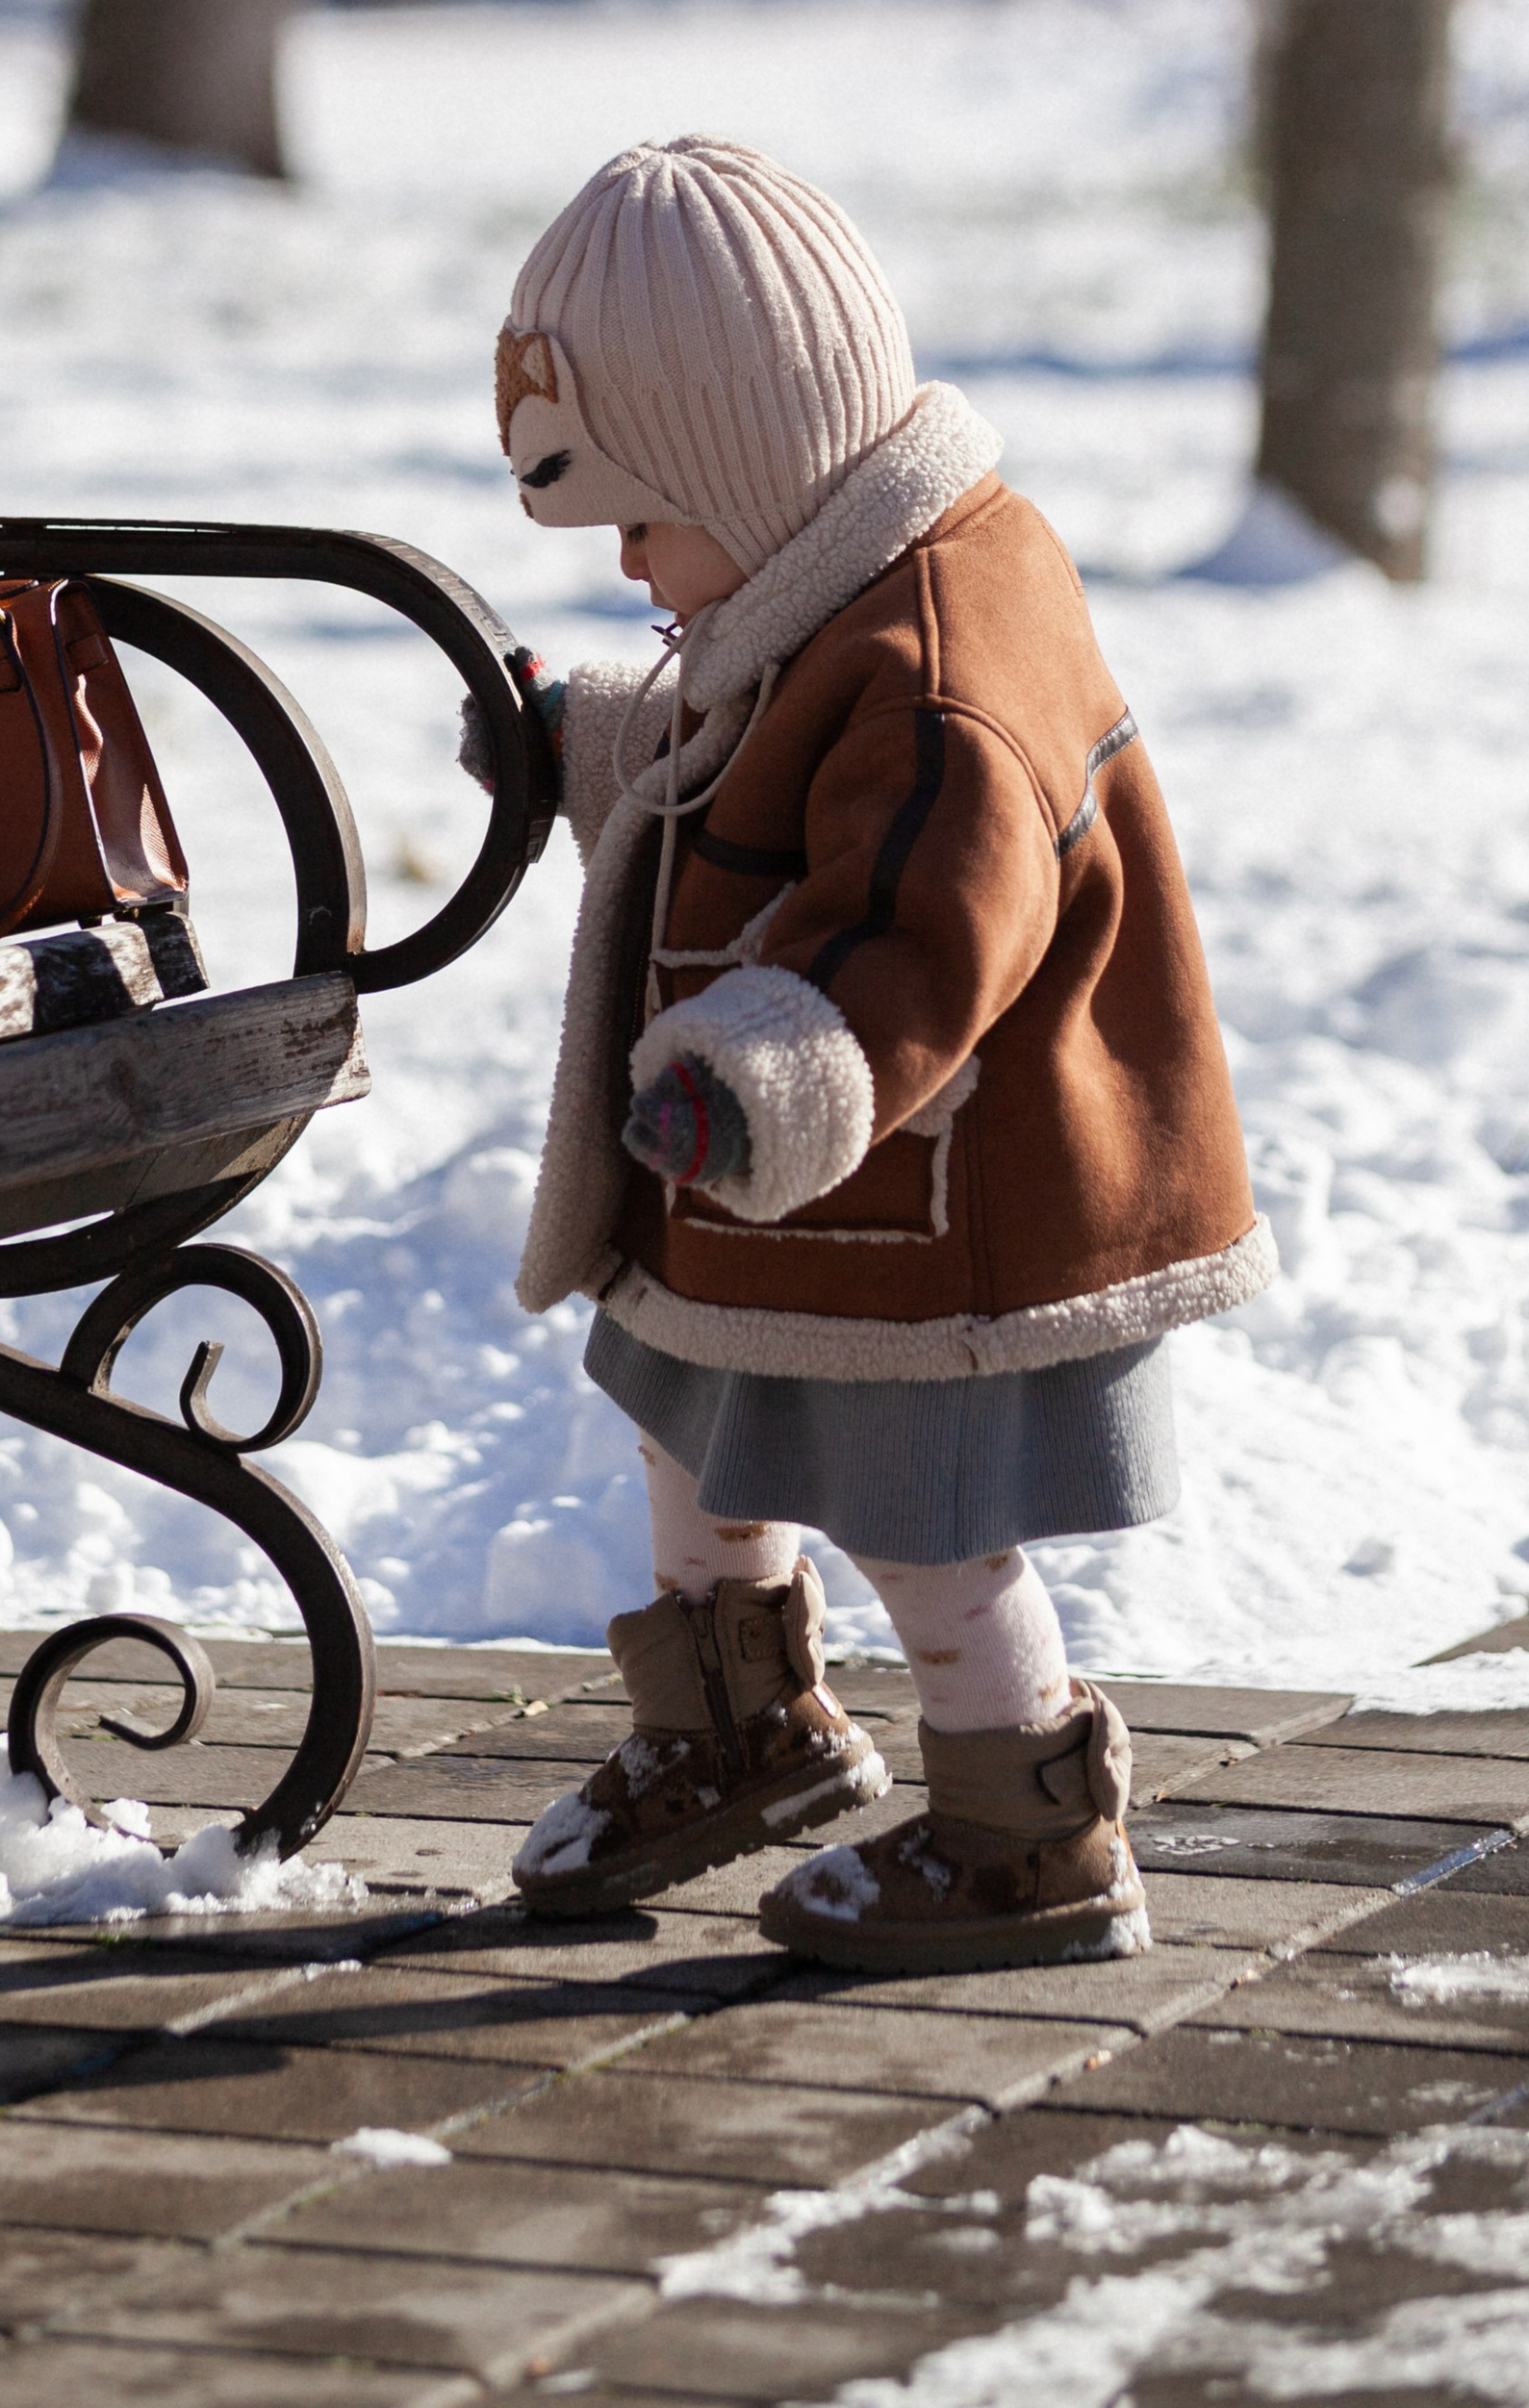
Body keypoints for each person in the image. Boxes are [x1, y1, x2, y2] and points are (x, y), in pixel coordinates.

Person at [477, 136, 1270, 1970]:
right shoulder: (829, 568)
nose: (628, 562)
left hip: (924, 1207)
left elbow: (928, 914)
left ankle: (1029, 1823)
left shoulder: (936, 661)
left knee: (922, 1523)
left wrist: (780, 1061)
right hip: (786, 1215)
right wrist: (591, 742)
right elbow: (743, 753)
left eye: (641, 519)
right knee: (691, 1431)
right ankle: (739, 1722)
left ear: (750, 464)